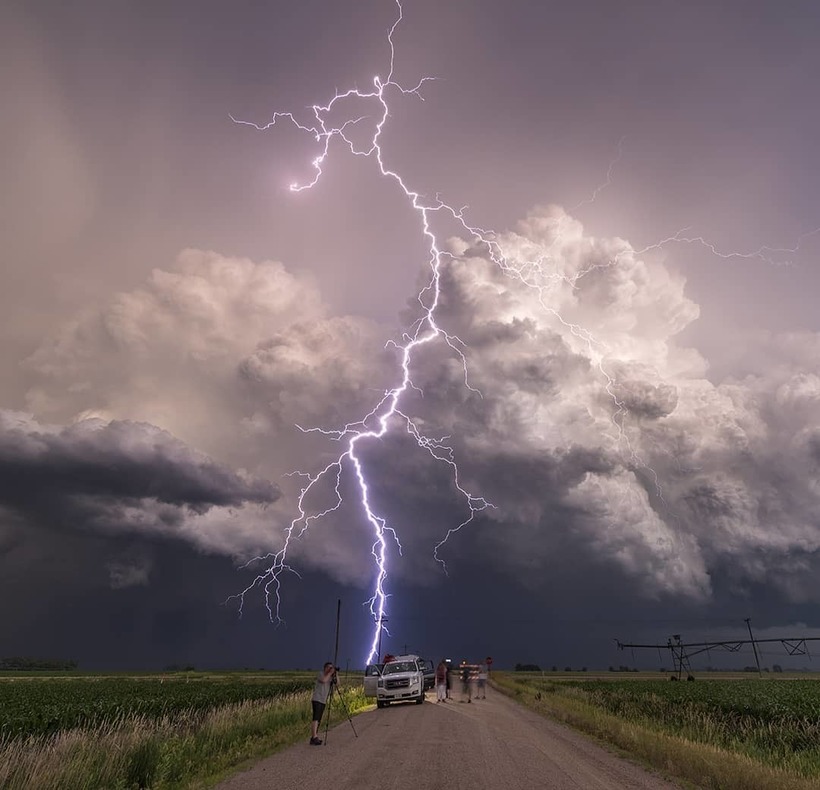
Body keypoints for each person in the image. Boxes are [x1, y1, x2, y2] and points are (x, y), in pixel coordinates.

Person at [310, 662, 336, 745]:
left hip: (323, 700)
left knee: (319, 719)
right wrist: (330, 673)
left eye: (331, 668)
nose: (330, 669)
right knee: (316, 718)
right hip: (317, 699)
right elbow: (324, 680)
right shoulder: (321, 674)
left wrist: (336, 674)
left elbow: (337, 683)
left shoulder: (330, 677)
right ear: (325, 668)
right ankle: (314, 737)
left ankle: (314, 737)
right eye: (329, 667)